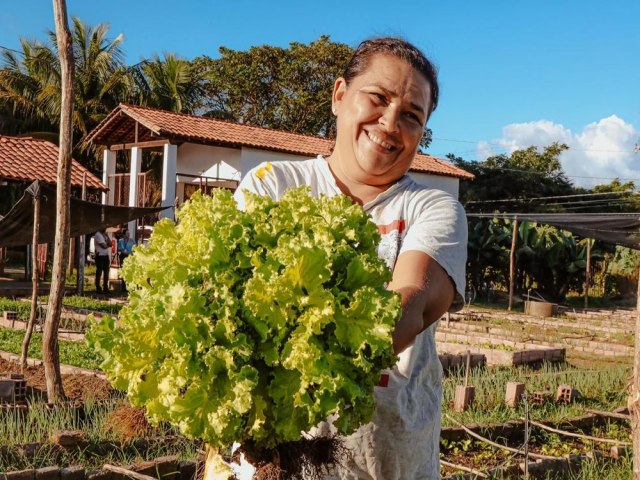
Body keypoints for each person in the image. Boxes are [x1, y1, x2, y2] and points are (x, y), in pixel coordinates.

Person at [233, 37, 467, 479]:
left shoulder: (433, 208)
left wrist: (311, 351)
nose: (390, 122)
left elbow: (413, 300)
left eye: (412, 116)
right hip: (276, 463)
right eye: (378, 98)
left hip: (389, 462)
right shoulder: (271, 185)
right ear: (340, 95)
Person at [93, 228, 111, 294]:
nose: (105, 229)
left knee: (106, 273)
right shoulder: (98, 235)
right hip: (100, 255)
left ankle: (105, 287)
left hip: (106, 255)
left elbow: (110, 244)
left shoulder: (104, 234)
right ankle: (98, 287)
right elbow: (104, 246)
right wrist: (108, 244)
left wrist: (107, 236)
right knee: (99, 272)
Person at [117, 229, 135, 293]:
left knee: (130, 272)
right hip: (124, 257)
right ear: (124, 234)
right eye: (127, 233)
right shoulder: (121, 241)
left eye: (129, 233)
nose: (128, 235)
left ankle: (130, 287)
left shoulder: (132, 240)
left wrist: (132, 254)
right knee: (124, 271)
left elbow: (135, 248)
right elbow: (122, 250)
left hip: (131, 257)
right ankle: (124, 288)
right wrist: (129, 253)